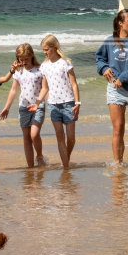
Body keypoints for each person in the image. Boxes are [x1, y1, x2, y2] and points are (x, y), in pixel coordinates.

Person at [96, 9, 128, 165]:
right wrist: (104, 68)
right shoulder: (109, 41)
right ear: (120, 23)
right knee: (118, 128)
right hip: (115, 90)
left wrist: (123, 78)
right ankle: (118, 164)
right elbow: (99, 58)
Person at [0, 43, 46, 168]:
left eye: (26, 59)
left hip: (38, 106)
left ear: (32, 56)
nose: (24, 62)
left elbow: (44, 88)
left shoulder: (40, 70)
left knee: (34, 134)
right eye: (21, 59)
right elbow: (13, 90)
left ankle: (39, 156)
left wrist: (38, 103)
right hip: (23, 107)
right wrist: (7, 107)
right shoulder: (18, 72)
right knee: (26, 137)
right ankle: (30, 167)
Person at [40, 35, 80, 171]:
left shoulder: (65, 63)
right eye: (43, 50)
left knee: (71, 138)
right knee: (60, 137)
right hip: (53, 105)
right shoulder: (44, 66)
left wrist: (78, 102)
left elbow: (74, 84)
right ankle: (66, 167)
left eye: (47, 49)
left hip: (69, 103)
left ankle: (66, 158)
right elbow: (44, 87)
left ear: (55, 47)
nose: (45, 52)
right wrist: (39, 101)